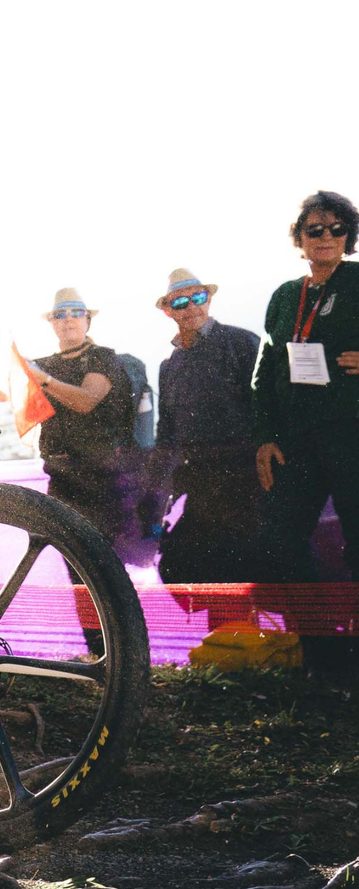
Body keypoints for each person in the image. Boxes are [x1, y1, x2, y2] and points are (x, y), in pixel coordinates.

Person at [253, 191, 359, 673]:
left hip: (350, 435)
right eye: (314, 229)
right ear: (299, 239)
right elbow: (266, 371)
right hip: (296, 441)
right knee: (281, 543)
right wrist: (265, 436)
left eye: (337, 228)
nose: (326, 237)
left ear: (349, 236)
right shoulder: (284, 296)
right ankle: (321, 656)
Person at [139, 269, 262, 613]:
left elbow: (270, 408)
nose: (191, 306)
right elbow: (167, 434)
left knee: (252, 569)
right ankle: (228, 638)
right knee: (184, 565)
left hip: (247, 481)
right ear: (168, 311)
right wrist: (156, 490)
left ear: (208, 300)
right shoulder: (169, 365)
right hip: (200, 486)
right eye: (181, 302)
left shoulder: (242, 342)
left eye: (198, 297)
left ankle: (295, 641)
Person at [25, 289, 134, 654]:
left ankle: (125, 655)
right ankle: (99, 656)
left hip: (102, 479)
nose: (68, 319)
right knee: (77, 569)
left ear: (88, 320)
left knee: (107, 568)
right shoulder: (40, 364)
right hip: (61, 478)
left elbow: (87, 400)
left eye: (75, 312)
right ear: (52, 323)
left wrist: (40, 379)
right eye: (60, 314)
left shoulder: (104, 357)